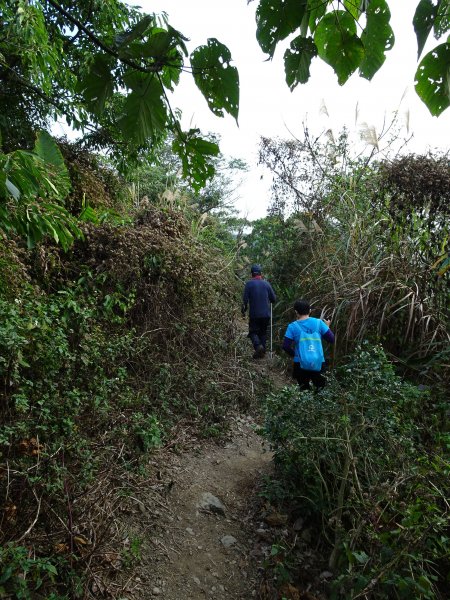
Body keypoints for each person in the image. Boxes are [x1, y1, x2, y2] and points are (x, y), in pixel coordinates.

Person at [282, 299, 335, 390]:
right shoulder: (319, 323)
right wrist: (327, 327)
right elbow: (331, 339)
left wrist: (295, 354)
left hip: (300, 363)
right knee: (320, 389)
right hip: (318, 362)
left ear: (296, 312)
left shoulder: (292, 326)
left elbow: (286, 346)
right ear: (310, 311)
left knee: (304, 390)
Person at [241, 264, 276, 358]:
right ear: (261, 274)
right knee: (263, 333)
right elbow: (273, 299)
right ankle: (262, 353)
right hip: (266, 314)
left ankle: (258, 346)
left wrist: (243, 310)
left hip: (254, 314)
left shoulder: (249, 284)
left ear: (251, 274)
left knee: (253, 332)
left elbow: (245, 300)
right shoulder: (266, 284)